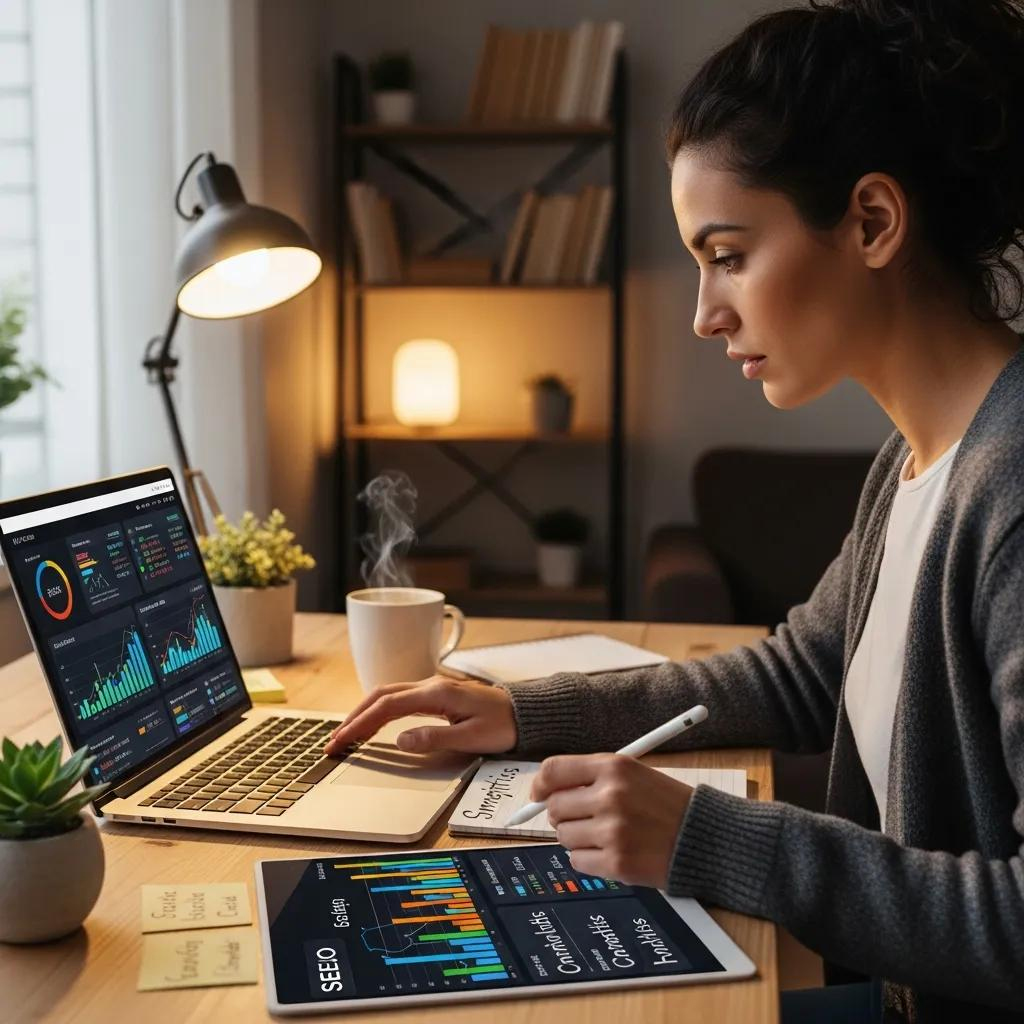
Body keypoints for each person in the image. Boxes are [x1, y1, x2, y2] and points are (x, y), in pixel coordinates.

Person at [323, 1, 1024, 1020]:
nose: (704, 314)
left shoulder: (1010, 492)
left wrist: (707, 837)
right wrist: (523, 713)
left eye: (727, 255)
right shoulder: (917, 462)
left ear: (872, 222)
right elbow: (800, 673)